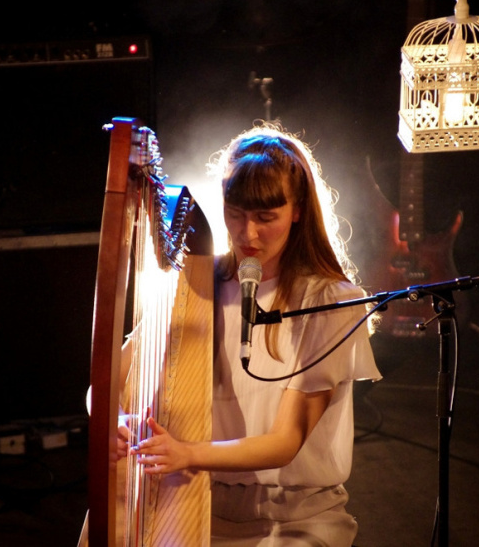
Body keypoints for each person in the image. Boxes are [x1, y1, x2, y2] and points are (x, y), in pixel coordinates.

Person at [126, 122, 381, 546]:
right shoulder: (197, 282)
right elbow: (112, 378)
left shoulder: (332, 300)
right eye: (236, 214)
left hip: (298, 519)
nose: (248, 234)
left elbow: (285, 443)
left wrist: (187, 453)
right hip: (199, 504)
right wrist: (115, 420)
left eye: (266, 217)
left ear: (297, 210)